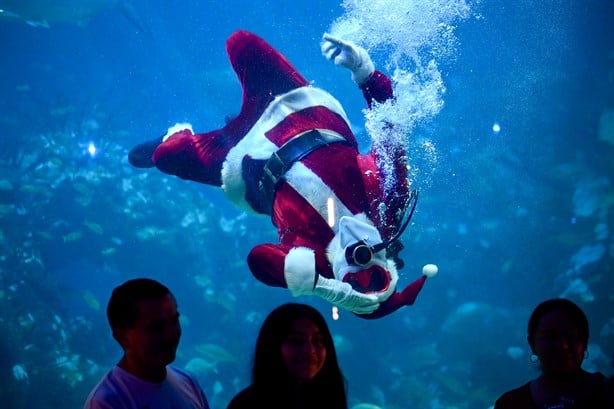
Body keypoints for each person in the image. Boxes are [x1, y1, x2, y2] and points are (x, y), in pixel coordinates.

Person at [128, 30, 436, 319]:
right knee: (240, 42)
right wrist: (365, 72)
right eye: (377, 275)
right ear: (388, 263)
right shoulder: (388, 199)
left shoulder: (314, 260)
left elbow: (258, 259)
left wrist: (323, 287)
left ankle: (176, 135)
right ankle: (211, 129)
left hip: (243, 162)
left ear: (343, 286)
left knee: (166, 156)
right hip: (297, 108)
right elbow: (391, 127)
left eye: (355, 282)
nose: (360, 259)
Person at [83, 278, 210, 409]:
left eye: (174, 321)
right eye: (156, 327)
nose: (170, 334)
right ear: (122, 337)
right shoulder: (106, 403)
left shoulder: (188, 382)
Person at [226, 303, 347, 409]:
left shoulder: (329, 400)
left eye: (317, 340)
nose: (310, 350)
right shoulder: (245, 405)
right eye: (296, 341)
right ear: (272, 346)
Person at [494, 298, 608, 409]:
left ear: (585, 342)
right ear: (532, 344)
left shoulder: (608, 392)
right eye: (550, 337)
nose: (563, 346)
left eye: (571, 336)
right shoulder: (510, 404)